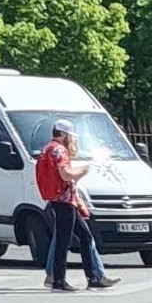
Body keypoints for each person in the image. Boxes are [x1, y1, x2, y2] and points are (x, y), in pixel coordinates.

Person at [36, 125, 110, 292]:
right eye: (69, 135)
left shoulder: (48, 148)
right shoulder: (59, 150)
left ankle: (92, 278)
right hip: (64, 201)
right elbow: (65, 174)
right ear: (62, 134)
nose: (72, 139)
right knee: (64, 241)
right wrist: (84, 170)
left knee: (85, 237)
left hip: (63, 200)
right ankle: (59, 281)